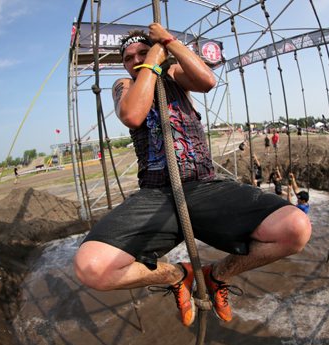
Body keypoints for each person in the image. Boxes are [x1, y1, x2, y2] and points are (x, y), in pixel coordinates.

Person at [74, 24, 311, 327]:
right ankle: (176, 275)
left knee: (295, 228)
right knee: (90, 267)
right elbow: (132, 115)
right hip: (155, 193)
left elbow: (208, 80)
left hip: (203, 185)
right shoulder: (124, 85)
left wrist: (169, 44)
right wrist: (153, 58)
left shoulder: (174, 75)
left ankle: (218, 275)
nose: (135, 60)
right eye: (129, 57)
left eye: (142, 52)